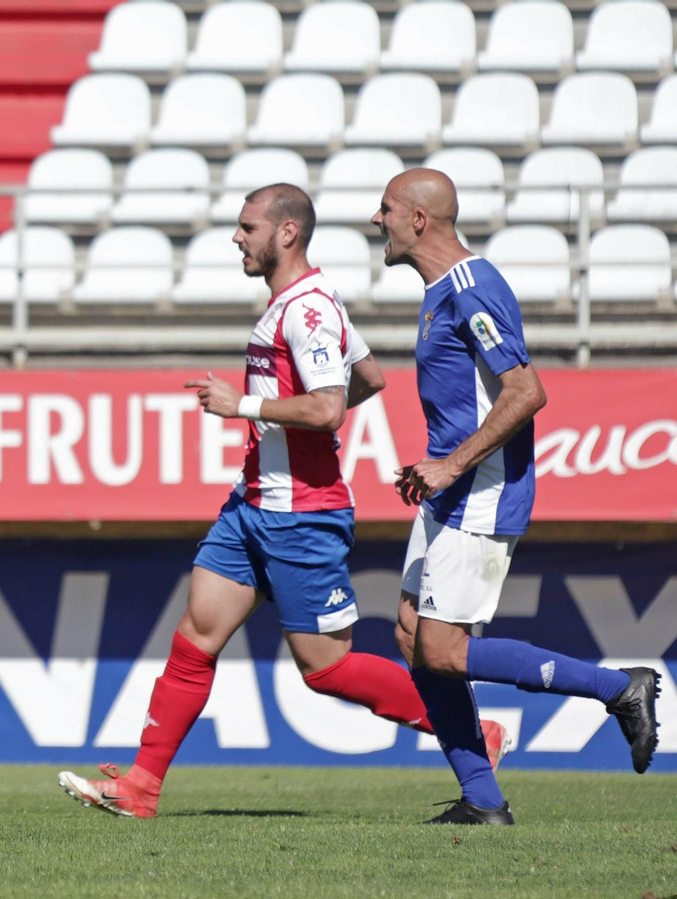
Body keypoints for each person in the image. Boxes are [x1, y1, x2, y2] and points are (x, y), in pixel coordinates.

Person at [59, 184, 508, 819]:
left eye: (248, 227)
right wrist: (280, 430)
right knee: (195, 636)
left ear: (286, 233)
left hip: (301, 513)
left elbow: (328, 407)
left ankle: (473, 735)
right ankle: (142, 784)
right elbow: (370, 379)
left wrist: (242, 407)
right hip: (252, 504)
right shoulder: (304, 303)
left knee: (325, 669)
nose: (237, 238)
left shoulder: (308, 310)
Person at [372, 169, 660, 825]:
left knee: (443, 650)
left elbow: (526, 391)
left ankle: (620, 687)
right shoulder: (442, 290)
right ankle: (482, 799)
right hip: (450, 489)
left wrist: (450, 464)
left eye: (385, 208)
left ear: (419, 219)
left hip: (480, 489)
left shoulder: (473, 287)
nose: (375, 218)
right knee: (413, 634)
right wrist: (435, 467)